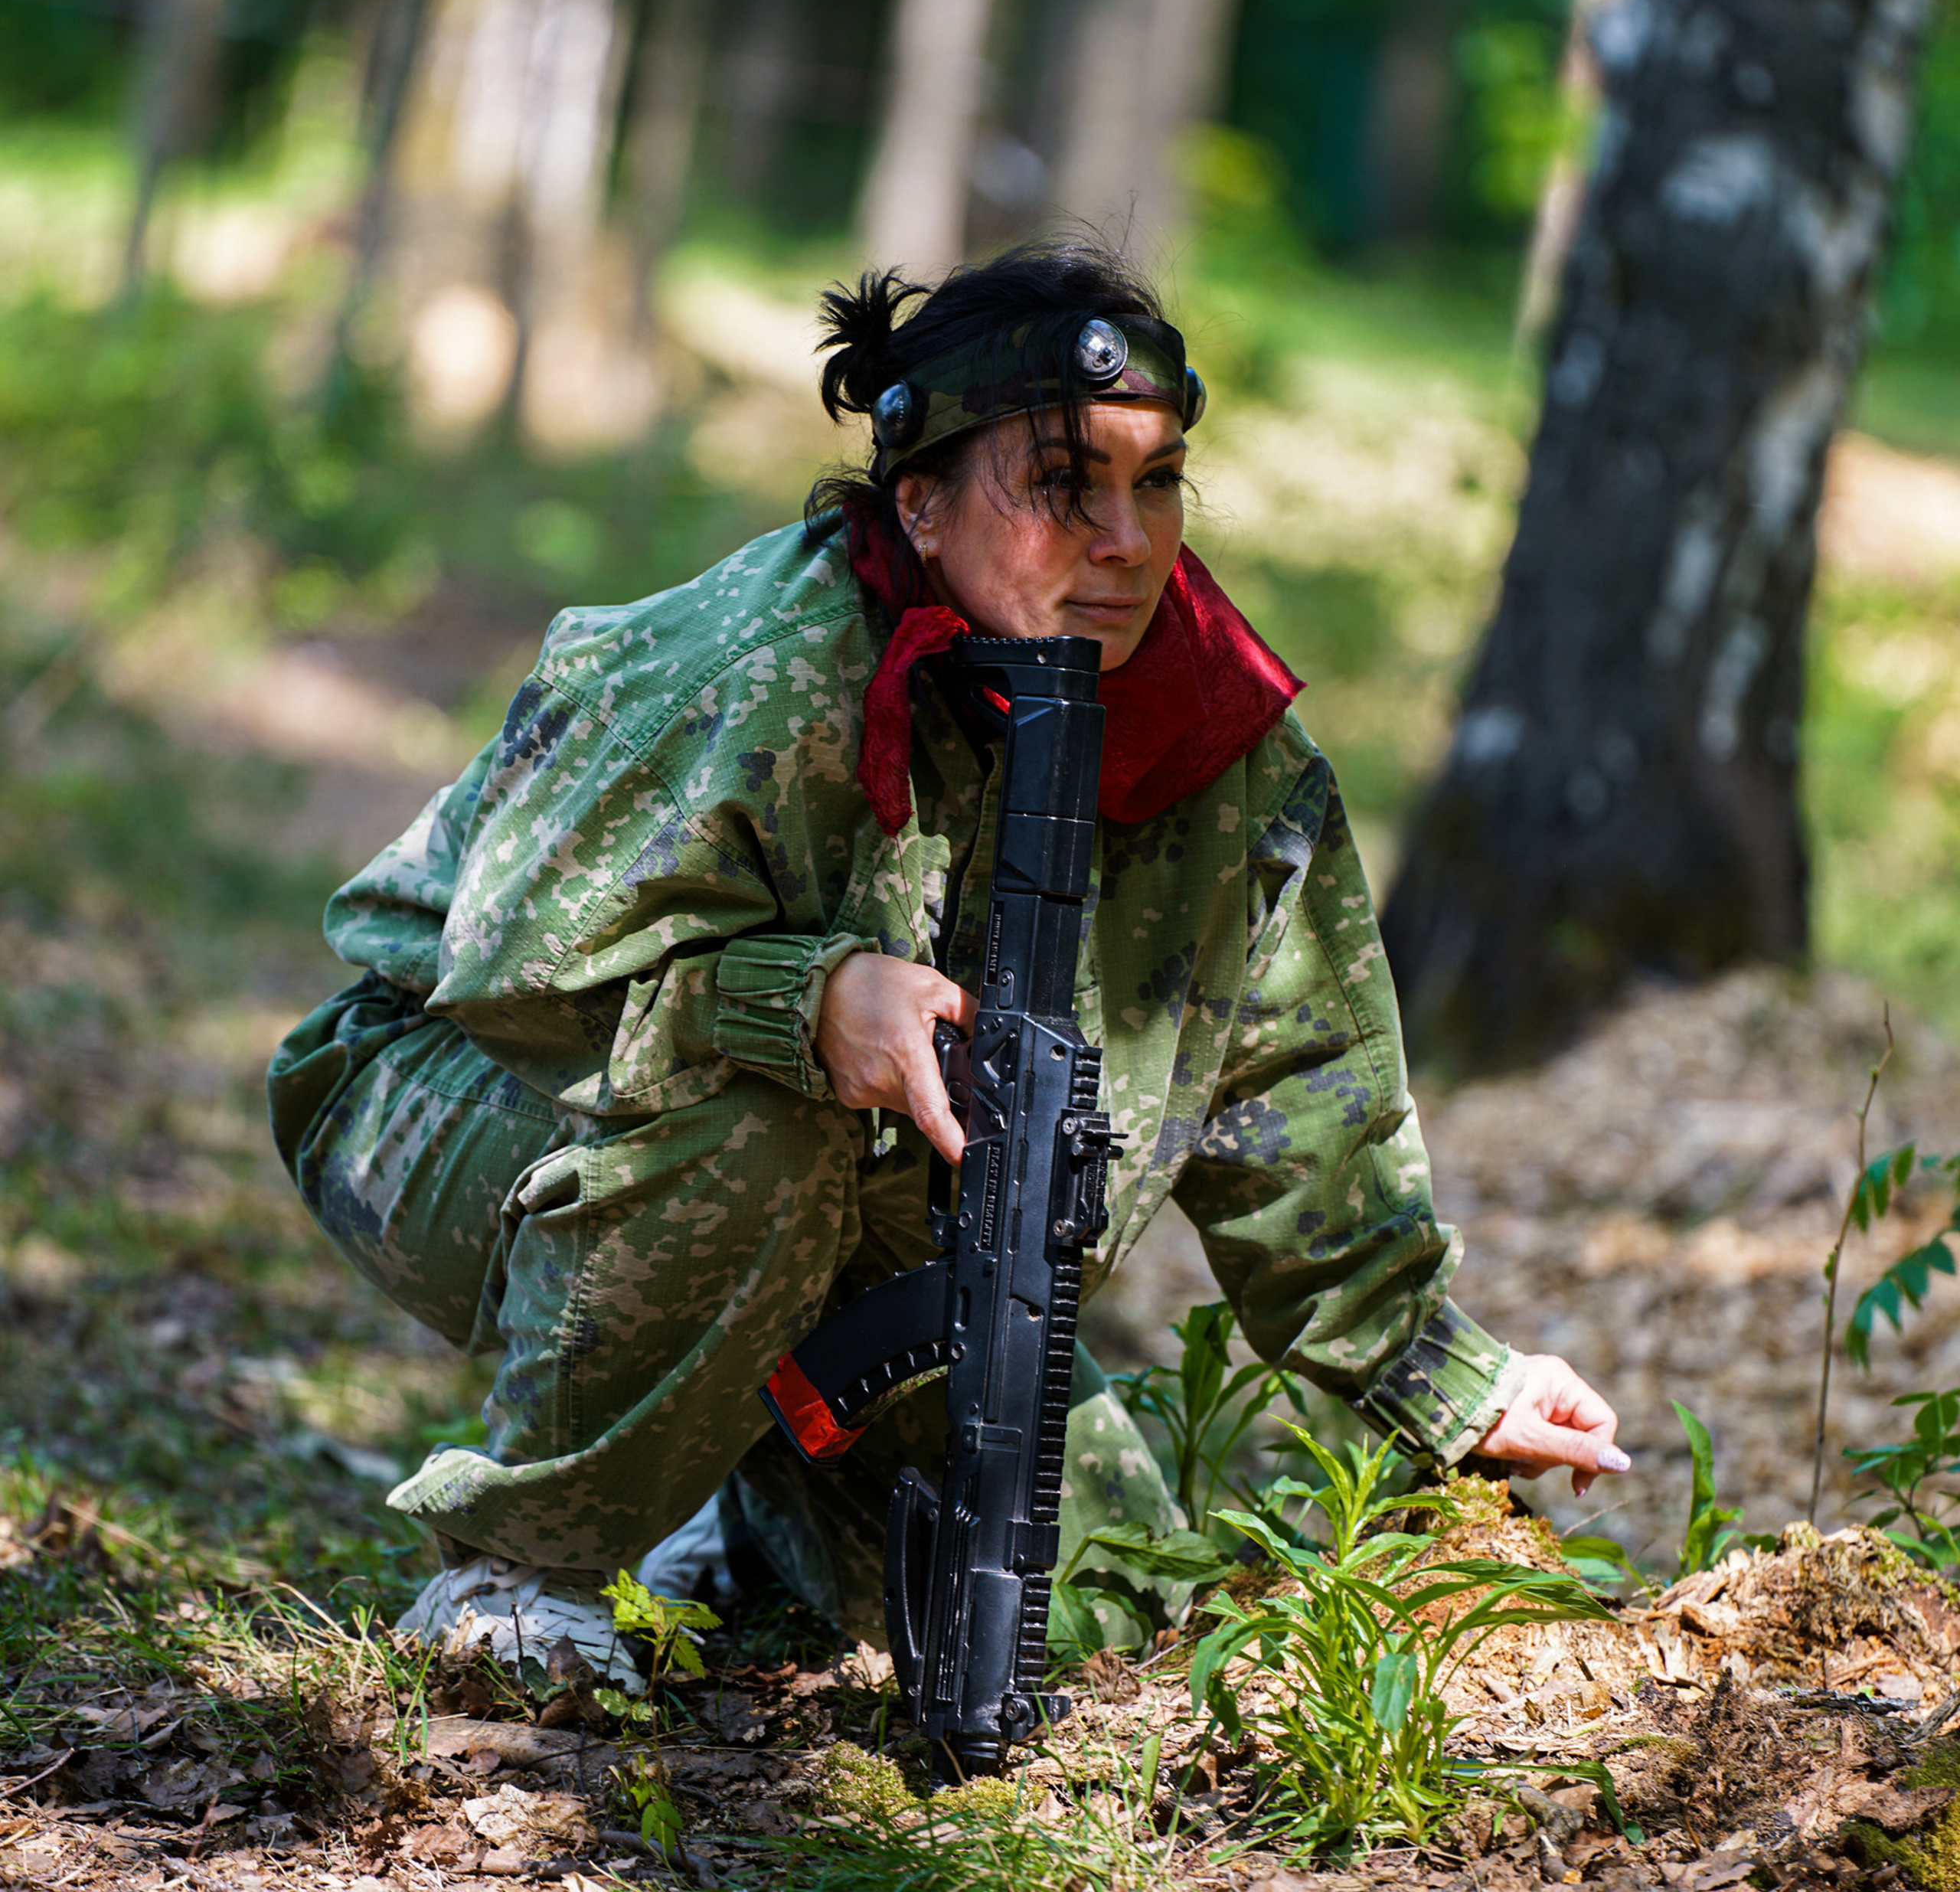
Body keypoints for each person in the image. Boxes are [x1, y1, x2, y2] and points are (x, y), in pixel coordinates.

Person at [266, 240, 1628, 1688]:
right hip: (450, 1085)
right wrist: (803, 1003)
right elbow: (507, 970)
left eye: (1157, 482)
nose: (1127, 540)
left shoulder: (1224, 755)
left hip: (876, 1209)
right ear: (919, 503)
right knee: (766, 1135)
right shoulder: (760, 666)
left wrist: (1450, 1379)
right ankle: (520, 1577)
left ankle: (733, 1513)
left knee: (1086, 1607)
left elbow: (1308, 1111)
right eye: (1063, 485)